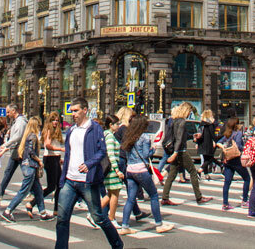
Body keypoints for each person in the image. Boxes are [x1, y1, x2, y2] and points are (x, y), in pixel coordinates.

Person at [54, 97, 123, 249]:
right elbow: (68, 154)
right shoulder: (71, 130)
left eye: (76, 111)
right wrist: (63, 177)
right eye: (71, 111)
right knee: (62, 219)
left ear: (85, 110)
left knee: (98, 217)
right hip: (70, 181)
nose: (73, 114)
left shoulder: (94, 128)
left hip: (87, 182)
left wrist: (89, 164)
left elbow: (101, 151)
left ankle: (117, 244)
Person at [118, 114, 173, 234]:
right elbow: (145, 155)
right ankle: (159, 224)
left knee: (130, 199)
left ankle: (124, 226)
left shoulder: (128, 137)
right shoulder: (144, 137)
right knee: (153, 195)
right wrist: (152, 150)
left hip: (130, 170)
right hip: (141, 170)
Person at [2, 116, 51, 222]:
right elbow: (31, 152)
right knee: (23, 191)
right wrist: (39, 161)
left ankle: (43, 213)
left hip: (27, 165)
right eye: (39, 125)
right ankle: (8, 211)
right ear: (35, 125)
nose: (40, 128)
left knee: (38, 191)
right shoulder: (33, 136)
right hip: (30, 166)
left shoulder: (27, 135)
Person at [161, 102, 211, 205]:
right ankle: (199, 197)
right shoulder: (182, 122)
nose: (190, 114)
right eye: (189, 111)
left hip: (176, 151)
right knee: (193, 171)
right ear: (186, 111)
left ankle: (165, 198)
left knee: (172, 174)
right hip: (181, 152)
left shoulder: (174, 121)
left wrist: (192, 135)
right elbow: (179, 139)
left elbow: (180, 136)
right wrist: (175, 152)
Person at [219, 117, 250, 210]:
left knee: (227, 182)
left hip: (228, 160)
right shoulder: (238, 133)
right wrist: (244, 149)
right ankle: (244, 200)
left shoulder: (227, 134)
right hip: (236, 159)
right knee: (247, 178)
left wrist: (224, 148)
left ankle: (225, 203)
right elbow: (239, 145)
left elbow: (218, 143)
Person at [0, 103, 27, 196]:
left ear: (13, 111)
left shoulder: (20, 122)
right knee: (8, 172)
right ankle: (0, 192)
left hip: (19, 150)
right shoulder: (16, 121)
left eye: (8, 112)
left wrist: (6, 144)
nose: (7, 114)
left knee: (26, 173)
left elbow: (18, 136)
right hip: (15, 150)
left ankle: (34, 192)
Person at [41, 112, 64, 212]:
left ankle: (56, 209)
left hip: (55, 159)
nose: (55, 122)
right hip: (49, 159)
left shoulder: (56, 131)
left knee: (59, 185)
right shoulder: (48, 130)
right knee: (51, 187)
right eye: (53, 120)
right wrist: (61, 149)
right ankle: (32, 202)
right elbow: (47, 145)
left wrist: (59, 158)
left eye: (57, 120)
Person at [195, 110, 217, 180]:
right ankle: (199, 171)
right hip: (208, 143)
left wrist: (197, 143)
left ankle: (206, 175)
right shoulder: (210, 124)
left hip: (201, 143)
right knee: (209, 158)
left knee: (205, 159)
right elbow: (212, 134)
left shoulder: (201, 124)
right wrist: (216, 140)